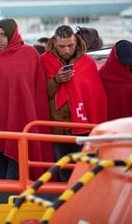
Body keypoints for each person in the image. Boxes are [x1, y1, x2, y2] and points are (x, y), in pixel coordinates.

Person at [0, 18, 53, 181]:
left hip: (22, 122)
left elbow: (36, 90)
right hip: (0, 127)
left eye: (3, 35)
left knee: (16, 173)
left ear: (12, 34)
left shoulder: (29, 53)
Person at [40, 25, 108, 181]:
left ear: (76, 42)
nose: (66, 50)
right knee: (63, 174)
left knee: (84, 173)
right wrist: (56, 80)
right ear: (54, 43)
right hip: (56, 129)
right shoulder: (43, 61)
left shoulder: (87, 63)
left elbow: (95, 97)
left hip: (82, 128)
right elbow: (39, 95)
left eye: (70, 45)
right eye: (62, 46)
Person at [99, 40, 132, 120]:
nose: (127, 67)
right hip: (116, 127)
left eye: (130, 64)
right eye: (124, 64)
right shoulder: (104, 77)